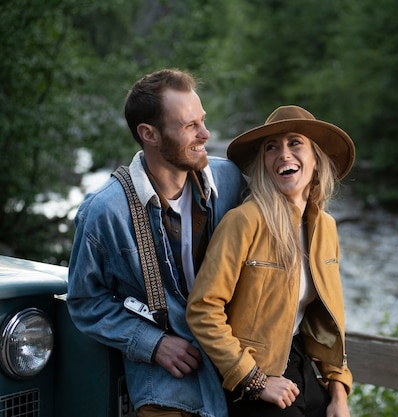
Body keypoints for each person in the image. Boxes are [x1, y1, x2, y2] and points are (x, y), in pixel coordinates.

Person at [67, 68, 245, 417]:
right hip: (166, 388)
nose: (205, 134)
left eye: (202, 121)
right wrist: (152, 343)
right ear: (148, 134)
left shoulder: (232, 180)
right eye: (188, 126)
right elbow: (85, 301)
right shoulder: (106, 211)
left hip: (235, 368)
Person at [186, 105, 355, 417]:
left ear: (316, 159)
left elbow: (330, 319)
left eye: (295, 143)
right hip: (252, 382)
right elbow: (202, 310)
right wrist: (255, 379)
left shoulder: (326, 228)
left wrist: (338, 392)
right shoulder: (245, 221)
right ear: (264, 163)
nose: (284, 154)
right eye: (272, 147)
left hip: (302, 365)